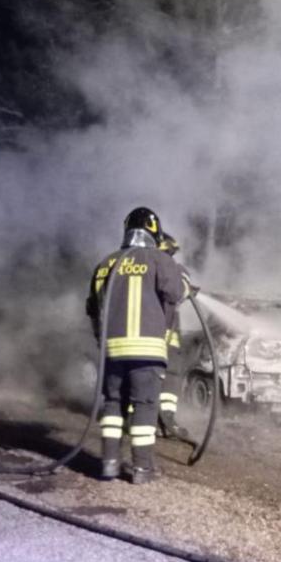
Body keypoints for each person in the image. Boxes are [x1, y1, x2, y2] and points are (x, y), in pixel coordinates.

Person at [85, 207, 188, 484]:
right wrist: (186, 281)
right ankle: (142, 469)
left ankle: (108, 465)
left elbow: (93, 309)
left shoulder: (106, 264)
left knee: (113, 406)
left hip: (113, 352)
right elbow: (176, 293)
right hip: (147, 352)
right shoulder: (158, 260)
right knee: (144, 406)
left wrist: (101, 343)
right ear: (154, 232)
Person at [155, 230, 198, 441]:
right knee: (165, 379)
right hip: (162, 340)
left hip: (155, 339)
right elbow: (179, 290)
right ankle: (164, 420)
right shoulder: (177, 270)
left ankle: (164, 419)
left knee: (164, 379)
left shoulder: (144, 269)